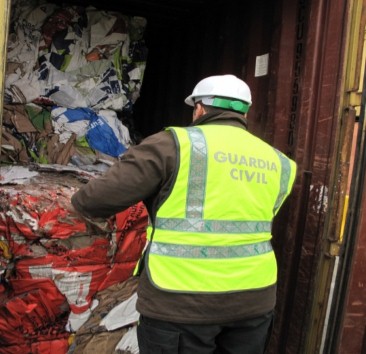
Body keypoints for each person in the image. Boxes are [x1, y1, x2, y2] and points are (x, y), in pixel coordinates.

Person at [71, 74, 297, 354]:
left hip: (180, 305)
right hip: (255, 302)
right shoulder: (280, 162)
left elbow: (93, 201)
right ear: (244, 111)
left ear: (200, 109)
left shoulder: (172, 145)